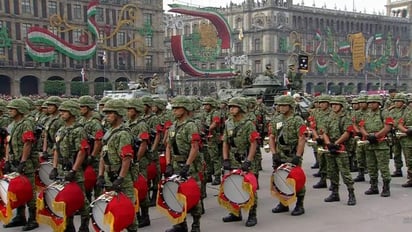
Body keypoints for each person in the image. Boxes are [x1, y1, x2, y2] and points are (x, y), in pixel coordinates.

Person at [97, 99, 138, 232]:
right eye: (106, 113)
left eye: (110, 113)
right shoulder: (109, 132)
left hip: (122, 177)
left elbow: (126, 158)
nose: (107, 116)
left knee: (128, 210)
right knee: (111, 209)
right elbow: (103, 154)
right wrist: (101, 175)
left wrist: (120, 178)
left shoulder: (123, 134)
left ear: (119, 113)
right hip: (109, 175)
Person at [49, 100, 90, 231]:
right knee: (66, 199)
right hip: (61, 169)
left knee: (81, 199)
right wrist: (54, 167)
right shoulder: (61, 130)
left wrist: (74, 170)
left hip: (74, 169)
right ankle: (69, 226)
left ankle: (84, 226)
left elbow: (82, 151)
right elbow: (56, 149)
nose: (61, 114)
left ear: (72, 112)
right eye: (60, 111)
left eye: (64, 111)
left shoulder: (79, 130)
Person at [165, 96, 202, 232]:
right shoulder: (173, 126)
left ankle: (196, 224)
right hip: (176, 163)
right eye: (173, 108)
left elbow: (195, 146)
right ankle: (181, 223)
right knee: (177, 194)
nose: (174, 110)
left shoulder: (191, 125)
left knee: (192, 194)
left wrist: (187, 165)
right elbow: (168, 146)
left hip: (190, 165)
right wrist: (168, 163)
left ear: (185, 109)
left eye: (177, 108)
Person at [221, 97, 259, 227]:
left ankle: (252, 214)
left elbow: (253, 143)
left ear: (241, 108)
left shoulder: (249, 124)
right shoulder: (228, 123)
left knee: (249, 188)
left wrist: (248, 160)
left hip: (245, 157)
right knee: (233, 185)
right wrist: (225, 159)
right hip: (232, 158)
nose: (231, 109)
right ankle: (235, 213)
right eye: (230, 107)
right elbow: (225, 142)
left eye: (234, 107)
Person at [3, 99, 39, 231]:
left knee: (29, 190)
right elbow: (8, 143)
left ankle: (33, 219)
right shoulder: (12, 124)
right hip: (14, 161)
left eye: (12, 109)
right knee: (18, 190)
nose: (10, 111)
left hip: (25, 163)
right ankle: (20, 216)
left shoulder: (27, 123)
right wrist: (7, 160)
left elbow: (28, 143)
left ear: (20, 110)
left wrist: (23, 161)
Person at [269, 95, 306, 216]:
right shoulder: (275, 120)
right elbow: (272, 137)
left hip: (293, 153)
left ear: (290, 106)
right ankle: (283, 203)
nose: (281, 108)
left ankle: (299, 204)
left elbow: (301, 138)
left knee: (295, 179)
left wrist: (298, 155)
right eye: (279, 105)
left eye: (284, 105)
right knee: (280, 178)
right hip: (280, 153)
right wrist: (274, 153)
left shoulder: (297, 120)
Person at [322, 96, 356, 206]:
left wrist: (336, 144)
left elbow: (347, 133)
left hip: (342, 148)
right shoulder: (328, 117)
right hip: (330, 147)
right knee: (332, 171)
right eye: (332, 105)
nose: (334, 106)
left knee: (345, 172)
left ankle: (351, 193)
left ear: (342, 106)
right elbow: (324, 132)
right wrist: (328, 144)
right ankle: (334, 193)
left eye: (336, 104)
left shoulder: (346, 118)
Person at [358, 95, 392, 197]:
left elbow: (387, 127)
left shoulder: (384, 113)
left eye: (373, 102)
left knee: (383, 167)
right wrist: (367, 135)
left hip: (381, 144)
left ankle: (386, 187)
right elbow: (361, 126)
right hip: (369, 143)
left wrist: (376, 136)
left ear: (379, 103)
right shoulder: (366, 114)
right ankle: (373, 186)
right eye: (369, 103)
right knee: (371, 166)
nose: (371, 104)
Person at [201, 97, 222, 185]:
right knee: (207, 158)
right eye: (204, 105)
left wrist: (208, 128)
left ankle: (217, 176)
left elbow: (216, 122)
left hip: (213, 138)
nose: (205, 106)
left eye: (207, 104)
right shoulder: (205, 114)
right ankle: (209, 175)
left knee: (215, 158)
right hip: (206, 138)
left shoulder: (215, 113)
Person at [397, 95, 412, 187]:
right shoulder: (406, 114)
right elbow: (399, 124)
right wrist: (406, 131)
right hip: (408, 140)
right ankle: (411, 179)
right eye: (410, 102)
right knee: (409, 161)